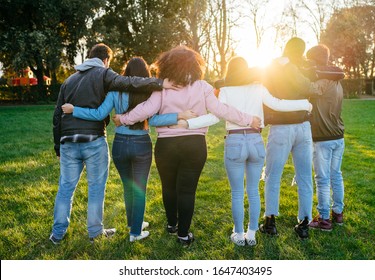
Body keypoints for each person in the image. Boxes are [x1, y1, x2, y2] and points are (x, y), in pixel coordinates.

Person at [113, 46, 260, 246]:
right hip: (194, 145)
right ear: (196, 66)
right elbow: (221, 110)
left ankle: (172, 224)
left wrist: (124, 118)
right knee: (187, 190)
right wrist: (248, 119)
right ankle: (183, 234)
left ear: (167, 65)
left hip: (166, 145)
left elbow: (146, 110)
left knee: (169, 187)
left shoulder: (163, 88)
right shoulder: (203, 87)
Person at [173, 56, 312, 246]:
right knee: (253, 191)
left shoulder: (225, 91)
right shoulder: (258, 88)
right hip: (256, 141)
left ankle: (238, 235)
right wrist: (304, 103)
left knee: (237, 193)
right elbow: (279, 104)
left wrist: (188, 123)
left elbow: (214, 117)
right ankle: (252, 234)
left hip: (235, 141)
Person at [50, 43, 178, 245]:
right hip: (106, 140)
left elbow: (59, 115)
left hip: (74, 141)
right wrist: (161, 85)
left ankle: (57, 234)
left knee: (66, 188)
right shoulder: (106, 75)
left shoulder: (69, 81)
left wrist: (59, 144)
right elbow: (133, 86)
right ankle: (107, 232)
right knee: (102, 188)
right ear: (106, 60)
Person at [259, 37, 322, 240]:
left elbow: (264, 89)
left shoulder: (275, 66)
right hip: (303, 126)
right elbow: (312, 87)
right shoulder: (306, 68)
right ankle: (304, 223)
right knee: (305, 176)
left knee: (273, 175)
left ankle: (270, 222)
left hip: (281, 127)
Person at [304, 45, 345, 231]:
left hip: (324, 138)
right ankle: (338, 213)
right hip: (338, 136)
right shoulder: (336, 80)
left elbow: (305, 88)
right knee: (336, 175)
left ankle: (324, 219)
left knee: (322, 178)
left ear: (315, 61)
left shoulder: (322, 81)